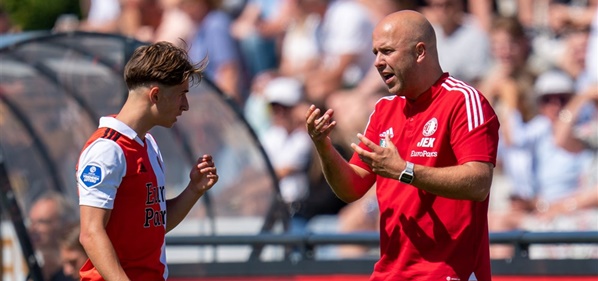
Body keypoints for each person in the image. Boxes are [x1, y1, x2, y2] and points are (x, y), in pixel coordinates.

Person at [305, 10, 500, 280]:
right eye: (374, 53)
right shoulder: (384, 110)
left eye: (386, 51)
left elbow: (479, 183)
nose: (377, 62)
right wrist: (324, 147)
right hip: (390, 273)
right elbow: (351, 188)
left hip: (448, 271)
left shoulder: (464, 101)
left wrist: (404, 170)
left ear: (420, 52)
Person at [76, 41, 218, 280]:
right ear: (156, 95)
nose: (186, 106)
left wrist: (193, 190)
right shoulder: (107, 150)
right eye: (181, 94)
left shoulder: (149, 144)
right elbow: (91, 233)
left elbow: (155, 226)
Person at [28, 191, 79, 281]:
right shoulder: (38, 271)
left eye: (42, 222)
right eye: (32, 222)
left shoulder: (79, 260)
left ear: (65, 223)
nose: (33, 229)